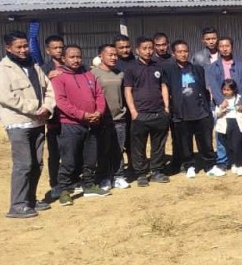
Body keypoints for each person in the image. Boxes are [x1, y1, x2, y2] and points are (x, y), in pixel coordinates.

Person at [0, 31, 56, 218]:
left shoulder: (34, 66)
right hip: (18, 124)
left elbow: (49, 89)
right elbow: (6, 97)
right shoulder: (2, 70)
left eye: (25, 46)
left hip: (37, 122)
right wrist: (35, 107)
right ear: (8, 48)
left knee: (37, 163)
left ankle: (30, 200)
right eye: (18, 47)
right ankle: (17, 205)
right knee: (23, 164)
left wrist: (47, 107)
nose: (23, 50)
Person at [51, 45, 109, 205]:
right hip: (70, 124)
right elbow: (61, 101)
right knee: (69, 160)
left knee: (90, 158)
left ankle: (89, 185)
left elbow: (99, 95)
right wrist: (82, 115)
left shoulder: (88, 74)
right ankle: (64, 190)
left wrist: (99, 112)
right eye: (72, 57)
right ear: (63, 58)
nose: (76, 60)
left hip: (93, 123)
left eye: (78, 57)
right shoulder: (58, 77)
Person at [163, 40, 217, 179]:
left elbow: (204, 88)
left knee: (206, 142)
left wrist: (206, 107)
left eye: (185, 51)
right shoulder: (169, 70)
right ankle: (189, 166)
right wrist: (167, 107)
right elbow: (165, 88)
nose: (183, 54)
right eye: (179, 52)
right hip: (181, 113)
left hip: (200, 112)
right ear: (174, 54)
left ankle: (209, 165)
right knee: (185, 143)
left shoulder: (197, 69)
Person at [123, 36, 171, 187]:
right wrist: (133, 111)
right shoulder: (131, 68)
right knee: (139, 146)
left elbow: (163, 86)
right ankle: (141, 173)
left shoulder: (158, 66)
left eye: (150, 48)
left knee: (158, 144)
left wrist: (166, 107)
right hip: (140, 114)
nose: (148, 51)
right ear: (137, 50)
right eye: (144, 48)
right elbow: (128, 90)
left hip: (159, 112)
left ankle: (157, 170)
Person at [209, 36, 242, 170]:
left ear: (232, 47)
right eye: (221, 46)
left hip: (238, 104)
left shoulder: (241, 65)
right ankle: (223, 161)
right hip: (222, 105)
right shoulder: (213, 67)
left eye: (227, 46)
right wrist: (220, 101)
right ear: (218, 48)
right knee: (221, 134)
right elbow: (213, 85)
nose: (224, 49)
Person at [91, 44, 130, 189]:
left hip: (119, 118)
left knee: (118, 149)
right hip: (102, 120)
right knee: (103, 150)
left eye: (115, 55)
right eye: (110, 55)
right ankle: (104, 177)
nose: (114, 57)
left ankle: (118, 176)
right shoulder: (93, 74)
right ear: (100, 56)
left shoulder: (120, 74)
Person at [40, 35, 66, 204]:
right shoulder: (42, 69)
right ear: (47, 50)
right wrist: (46, 79)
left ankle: (71, 180)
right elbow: (37, 91)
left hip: (72, 117)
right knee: (55, 153)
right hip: (54, 117)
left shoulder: (71, 64)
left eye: (61, 47)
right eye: (55, 48)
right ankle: (55, 184)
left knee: (72, 151)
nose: (58, 50)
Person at [214, 79, 242, 176]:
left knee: (236, 145)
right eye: (224, 89)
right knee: (229, 145)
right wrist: (222, 109)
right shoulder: (220, 99)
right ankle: (234, 163)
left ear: (233, 90)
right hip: (225, 124)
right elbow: (216, 114)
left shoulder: (239, 99)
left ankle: (240, 165)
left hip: (237, 124)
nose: (226, 92)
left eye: (228, 90)